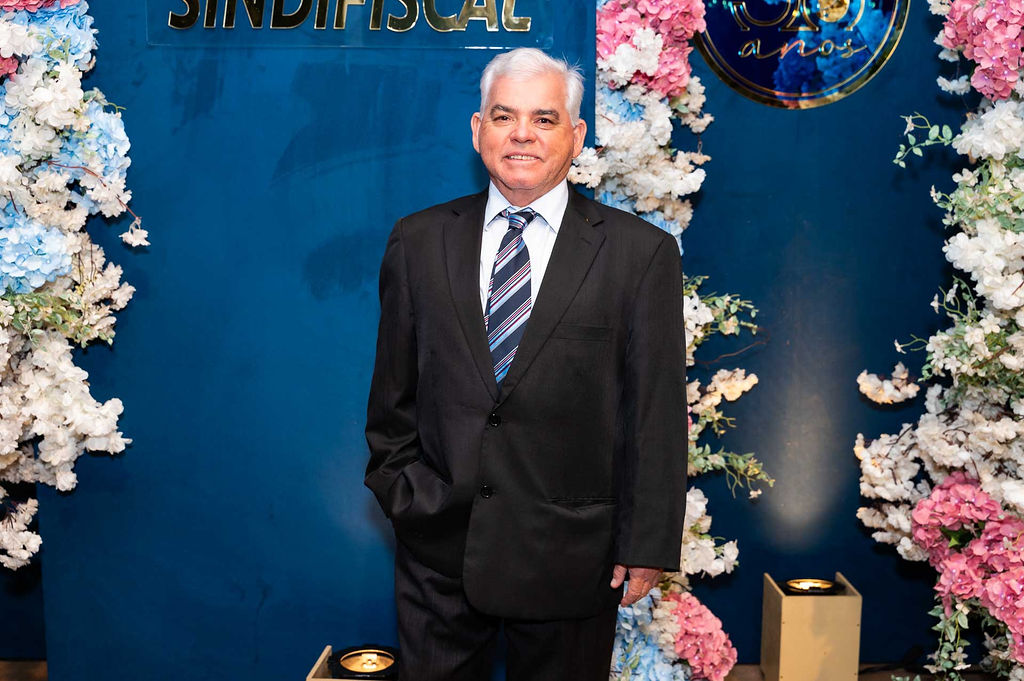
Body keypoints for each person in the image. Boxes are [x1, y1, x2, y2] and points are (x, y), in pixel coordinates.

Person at [365, 47, 687, 681]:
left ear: (576, 135)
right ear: (477, 129)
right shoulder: (419, 241)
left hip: (573, 560)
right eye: (504, 115)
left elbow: (653, 414)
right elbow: (392, 397)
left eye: (544, 118)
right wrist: (409, 498)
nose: (522, 134)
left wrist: (645, 543)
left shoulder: (640, 254)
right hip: (440, 555)